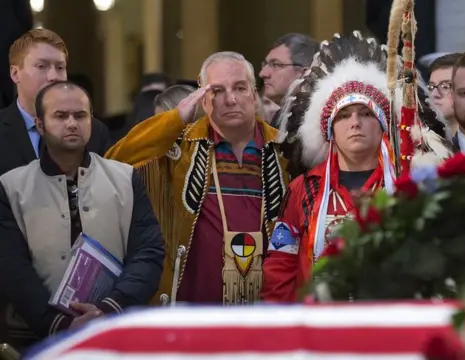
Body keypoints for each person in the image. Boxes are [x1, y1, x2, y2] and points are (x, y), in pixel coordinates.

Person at [261, 31, 451, 302]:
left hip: (386, 326)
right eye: (344, 116)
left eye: (366, 114)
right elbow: (281, 264)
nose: (355, 123)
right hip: (318, 327)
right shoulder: (303, 190)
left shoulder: (406, 186)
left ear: (383, 125)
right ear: (329, 130)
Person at [106, 51, 290, 305]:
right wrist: (174, 119)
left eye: (240, 87)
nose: (231, 99)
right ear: (203, 97)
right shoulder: (181, 148)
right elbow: (112, 164)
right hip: (189, 314)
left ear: (254, 93)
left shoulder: (284, 150)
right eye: (217, 91)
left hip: (262, 312)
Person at [0, 81, 164, 351]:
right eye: (60, 116)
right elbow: (12, 268)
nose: (72, 123)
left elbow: (149, 252)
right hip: (34, 339)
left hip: (112, 332)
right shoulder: (12, 186)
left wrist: (108, 310)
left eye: (80, 115)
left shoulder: (124, 178)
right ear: (39, 125)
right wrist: (58, 324)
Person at [0, 29, 110, 177]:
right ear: (15, 73)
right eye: (41, 66)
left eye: (60, 68)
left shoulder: (94, 131)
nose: (53, 77)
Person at [259, 33, 318, 128]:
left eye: (276, 65)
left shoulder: (320, 121)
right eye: (265, 64)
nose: (262, 73)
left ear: (305, 73)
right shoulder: (281, 118)